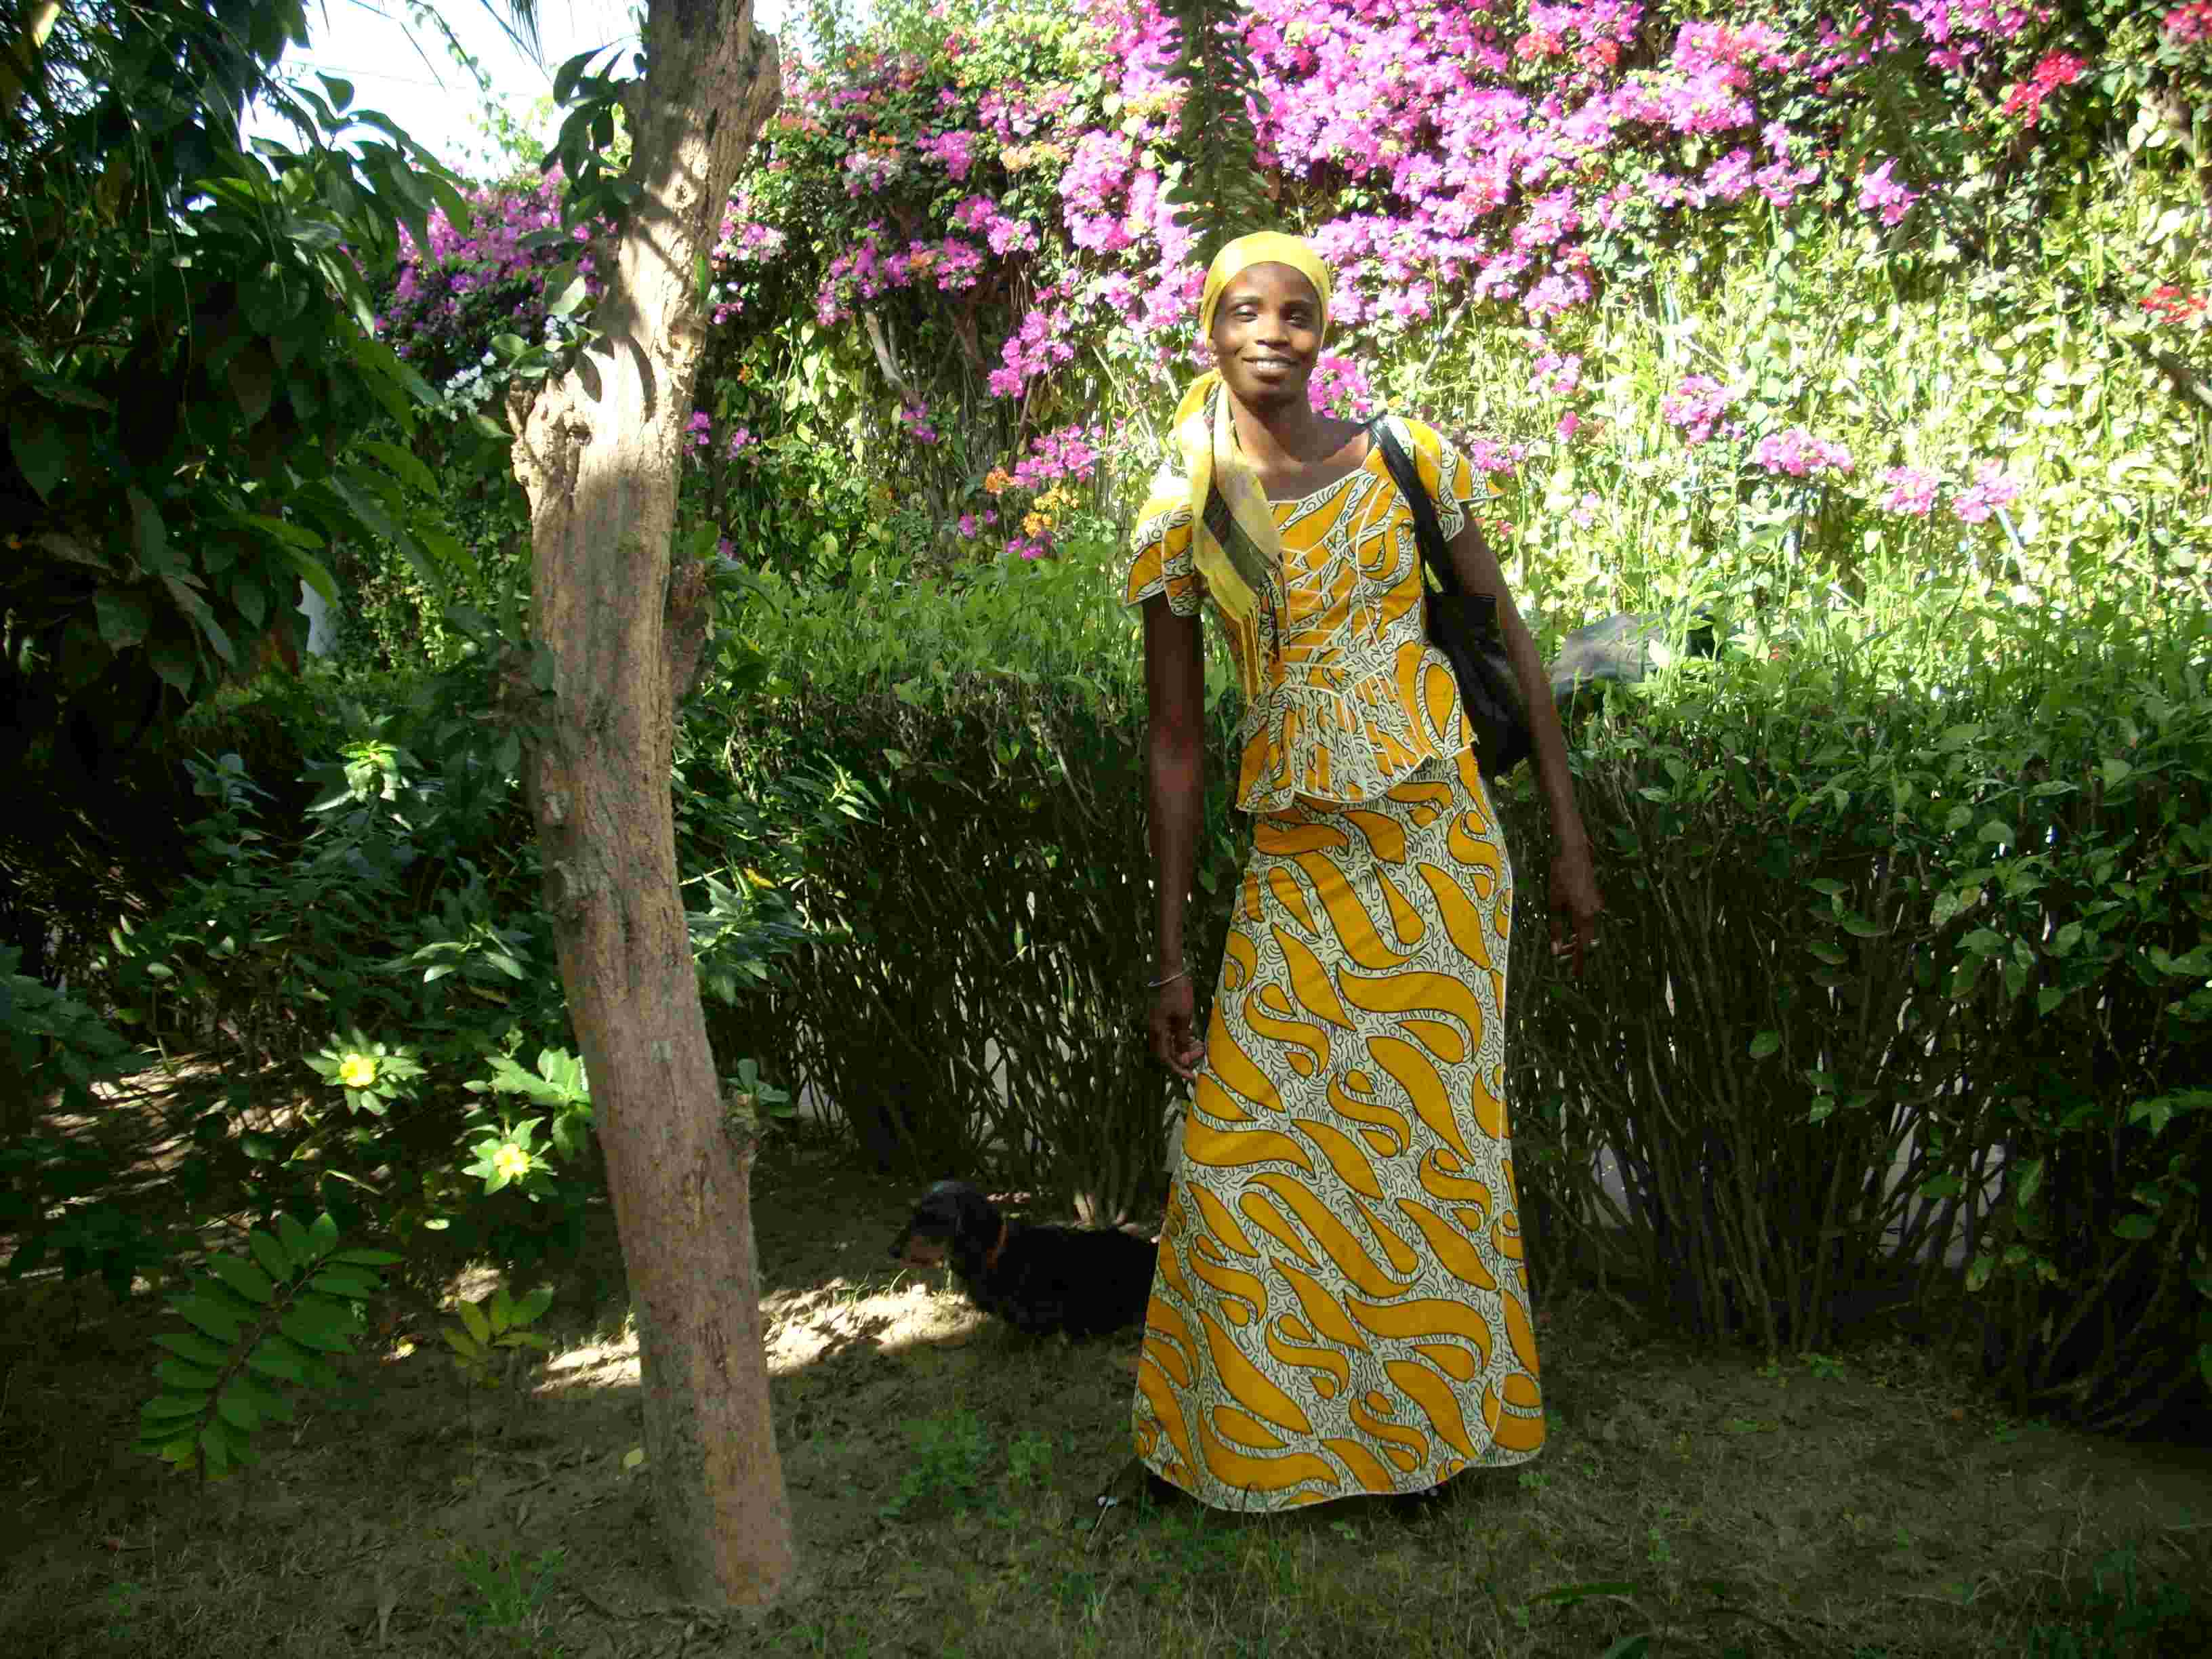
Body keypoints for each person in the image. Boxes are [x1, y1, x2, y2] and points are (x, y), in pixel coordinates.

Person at [1124, 231, 1603, 1511]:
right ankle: (1253, 1440)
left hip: (1440, 848)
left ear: (1324, 332)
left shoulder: (1406, 457)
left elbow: (1509, 637)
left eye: (1296, 313)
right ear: (1210, 328)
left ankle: (1422, 1443)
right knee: (1240, 1150)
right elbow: (1174, 742)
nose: (1270, 333)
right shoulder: (1186, 513)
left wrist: (1567, 840)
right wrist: (1168, 957)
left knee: (1430, 1151)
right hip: (1300, 858)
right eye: (1244, 310)